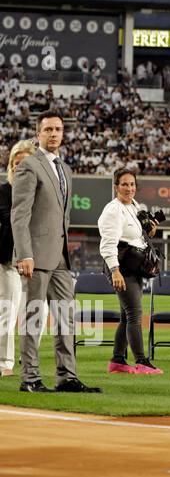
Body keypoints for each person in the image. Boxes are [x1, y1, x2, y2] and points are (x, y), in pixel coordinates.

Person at [10, 111, 101, 393]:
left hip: (60, 257)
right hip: (35, 257)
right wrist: (24, 254)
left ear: (63, 134)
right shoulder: (29, 166)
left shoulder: (65, 169)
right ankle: (30, 379)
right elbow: (19, 215)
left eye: (58, 129)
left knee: (65, 318)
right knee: (34, 319)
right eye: (48, 129)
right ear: (38, 135)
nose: (53, 134)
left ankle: (67, 377)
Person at [97, 168, 163, 375]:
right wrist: (114, 271)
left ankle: (117, 361)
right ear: (116, 186)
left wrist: (149, 229)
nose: (129, 188)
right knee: (134, 314)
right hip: (121, 266)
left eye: (132, 184)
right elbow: (108, 244)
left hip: (134, 266)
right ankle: (142, 362)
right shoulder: (113, 210)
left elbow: (136, 235)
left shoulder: (135, 206)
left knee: (127, 316)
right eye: (124, 184)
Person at [1, 138, 38, 377]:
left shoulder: (42, 191)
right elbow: (8, 217)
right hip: (8, 260)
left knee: (36, 314)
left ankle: (31, 364)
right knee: (7, 311)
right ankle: (5, 362)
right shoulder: (4, 190)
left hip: (38, 259)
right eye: (15, 165)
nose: (18, 169)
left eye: (23, 164)